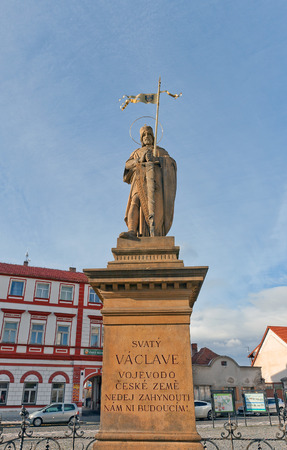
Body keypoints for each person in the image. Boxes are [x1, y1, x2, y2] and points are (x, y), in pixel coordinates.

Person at [119, 125, 176, 239]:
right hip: (139, 181)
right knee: (134, 202)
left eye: (149, 134)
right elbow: (127, 165)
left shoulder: (160, 151)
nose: (146, 137)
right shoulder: (137, 152)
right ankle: (132, 230)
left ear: (153, 137)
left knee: (155, 208)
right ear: (141, 139)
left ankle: (155, 232)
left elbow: (171, 164)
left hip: (155, 185)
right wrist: (140, 159)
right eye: (144, 135)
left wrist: (157, 159)